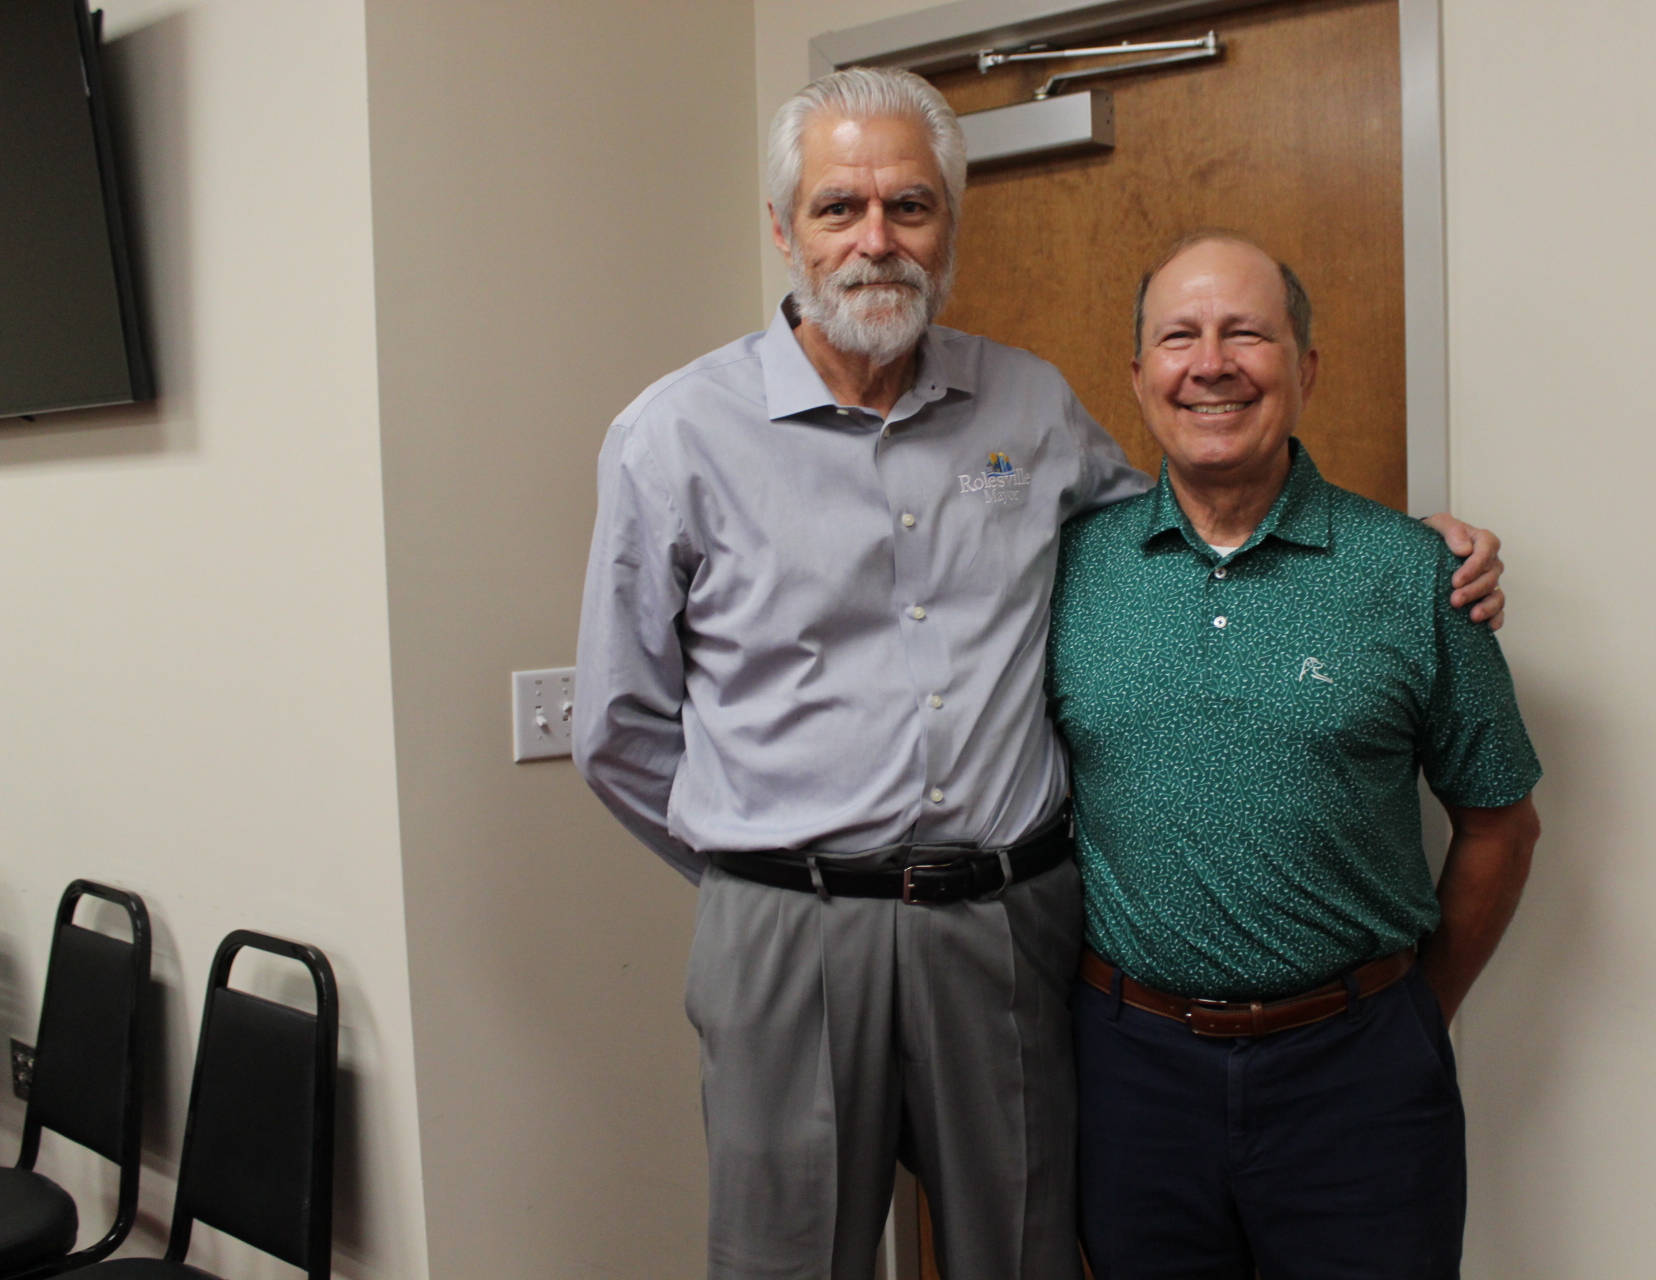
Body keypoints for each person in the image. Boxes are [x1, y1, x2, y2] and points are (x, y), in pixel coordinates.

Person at [575, 70, 1507, 1280]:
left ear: (949, 224)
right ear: (783, 229)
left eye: (910, 206)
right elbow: (620, 724)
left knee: (1019, 1253)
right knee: (784, 1261)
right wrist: (763, 866)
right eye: (838, 206)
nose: (876, 239)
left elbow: (1188, 531)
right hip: (785, 931)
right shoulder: (672, 435)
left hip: (1004, 931)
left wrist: (1412, 547)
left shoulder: (1031, 402)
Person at [1048, 230, 1542, 1280]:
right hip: (1131, 1076)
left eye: (1248, 333)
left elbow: (1502, 819)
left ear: (1306, 368)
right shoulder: (1067, 571)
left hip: (1359, 1077)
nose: (1211, 362)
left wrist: (1409, 1011)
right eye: (1179, 336)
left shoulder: (1417, 573)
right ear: (1139, 376)